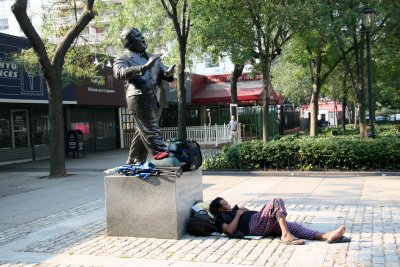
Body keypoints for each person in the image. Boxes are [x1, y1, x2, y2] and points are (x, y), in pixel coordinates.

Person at [113, 27, 175, 164]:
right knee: (151, 129)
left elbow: (163, 72)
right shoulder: (123, 58)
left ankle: (134, 158)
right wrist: (143, 68)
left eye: (141, 35)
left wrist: (168, 74)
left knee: (142, 130)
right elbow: (119, 73)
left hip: (157, 98)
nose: (142, 38)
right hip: (139, 99)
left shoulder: (152, 57)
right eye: (137, 36)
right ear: (128, 42)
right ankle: (162, 155)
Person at [209, 197, 351, 245]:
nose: (228, 205)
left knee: (294, 226)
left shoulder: (231, 211)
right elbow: (229, 230)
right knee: (276, 201)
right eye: (225, 205)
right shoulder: (219, 218)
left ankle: (327, 236)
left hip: (259, 222)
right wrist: (239, 215)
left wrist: (242, 211)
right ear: (220, 209)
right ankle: (285, 235)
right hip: (254, 226)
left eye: (227, 203)